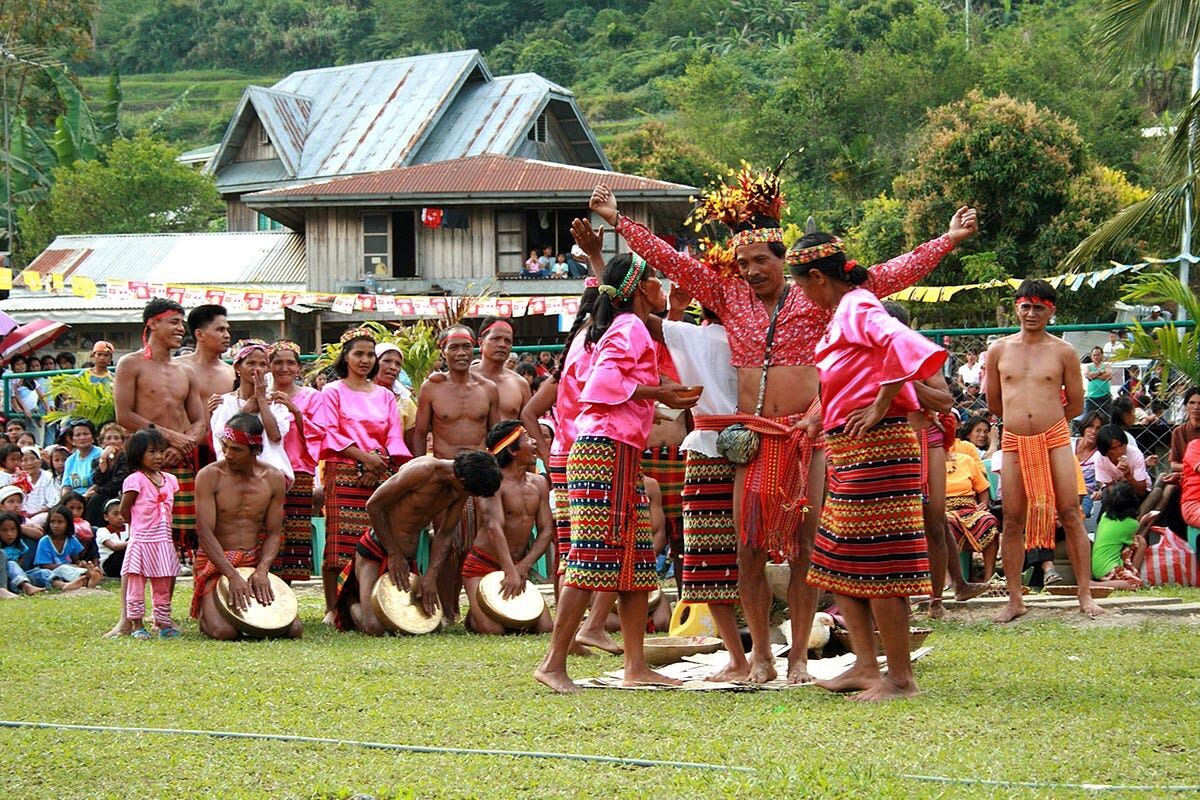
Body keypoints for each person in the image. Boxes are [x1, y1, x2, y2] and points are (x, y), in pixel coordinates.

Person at [591, 176, 978, 684]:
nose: (751, 271)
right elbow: (673, 261)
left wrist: (947, 240)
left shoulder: (816, 295)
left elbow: (888, 274)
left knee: (806, 548)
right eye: (744, 263)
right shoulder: (727, 296)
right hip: (750, 440)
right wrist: (619, 221)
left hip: (809, 439)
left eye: (762, 261)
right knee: (747, 548)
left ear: (784, 261)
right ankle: (761, 658)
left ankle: (797, 655)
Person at [534, 253, 699, 695]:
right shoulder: (626, 328)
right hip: (603, 451)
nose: (661, 287)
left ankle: (635, 665)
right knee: (591, 560)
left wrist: (663, 395)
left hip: (615, 451)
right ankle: (553, 664)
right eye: (655, 281)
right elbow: (601, 387)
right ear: (641, 289)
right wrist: (657, 392)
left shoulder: (617, 328)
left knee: (635, 563)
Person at [791, 231, 944, 701]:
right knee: (836, 562)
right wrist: (819, 417)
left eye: (800, 286)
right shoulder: (844, 312)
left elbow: (903, 343)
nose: (801, 296)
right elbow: (849, 378)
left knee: (879, 563)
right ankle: (864, 665)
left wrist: (881, 403)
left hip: (880, 447)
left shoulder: (859, 305)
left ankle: (900, 678)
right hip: (851, 449)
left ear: (817, 277)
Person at [985, 281, 1102, 623]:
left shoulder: (1063, 351)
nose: (1031, 313)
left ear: (1052, 311)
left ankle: (1085, 594)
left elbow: (1077, 403)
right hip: (1014, 441)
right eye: (1026, 306)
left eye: (1039, 307)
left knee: (1070, 511)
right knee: (1011, 519)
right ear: (1016, 308)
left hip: (1054, 438)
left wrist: (1047, 427)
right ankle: (1015, 599)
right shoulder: (998, 350)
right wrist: (1023, 428)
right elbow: (994, 401)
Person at [518, 284, 622, 653]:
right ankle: (587, 628)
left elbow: (529, 413)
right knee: (602, 545)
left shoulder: (570, 357)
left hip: (564, 456)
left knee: (572, 550)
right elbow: (529, 414)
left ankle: (578, 633)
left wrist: (549, 452)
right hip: (587, 452)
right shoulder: (594, 349)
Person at [658, 288, 750, 681]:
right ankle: (761, 655)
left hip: (709, 453)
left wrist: (599, 265)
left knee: (710, 564)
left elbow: (632, 315)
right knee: (754, 557)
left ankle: (740, 659)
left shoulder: (688, 335)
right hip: (756, 448)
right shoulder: (753, 337)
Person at [112, 298, 205, 637]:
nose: (181, 329)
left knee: (171, 542)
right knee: (139, 540)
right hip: (142, 461)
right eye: (174, 322)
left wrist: (185, 444)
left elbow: (200, 421)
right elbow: (124, 415)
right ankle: (127, 618)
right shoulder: (130, 364)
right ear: (152, 324)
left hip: (178, 464)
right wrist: (166, 438)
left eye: (182, 322)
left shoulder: (185, 370)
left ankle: (162, 617)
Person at [333, 451, 502, 634]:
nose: (467, 496)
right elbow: (374, 505)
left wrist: (430, 575)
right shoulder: (423, 471)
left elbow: (445, 534)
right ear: (460, 478)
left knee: (428, 625)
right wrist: (394, 554)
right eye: (468, 492)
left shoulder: (460, 489)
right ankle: (350, 599)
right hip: (376, 549)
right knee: (375, 628)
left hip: (407, 558)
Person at [312, 327, 409, 621]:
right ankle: (333, 607)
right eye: (359, 354)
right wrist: (364, 459)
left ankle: (368, 599)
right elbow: (329, 432)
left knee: (373, 539)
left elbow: (394, 436)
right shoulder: (332, 391)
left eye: (370, 354)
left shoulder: (385, 395)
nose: (365, 360)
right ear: (346, 356)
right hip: (343, 471)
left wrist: (378, 462)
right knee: (339, 542)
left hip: (379, 471)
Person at [412, 325, 500, 621]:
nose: (461, 354)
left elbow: (495, 437)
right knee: (445, 543)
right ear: (443, 351)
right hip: (443, 476)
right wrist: (418, 473)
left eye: (466, 347)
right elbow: (421, 432)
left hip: (476, 478)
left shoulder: (488, 389)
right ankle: (447, 609)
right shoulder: (432, 387)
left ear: (474, 348)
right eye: (454, 348)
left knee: (473, 543)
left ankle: (477, 607)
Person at [192, 413, 300, 640]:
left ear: (255, 450)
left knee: (292, 629)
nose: (228, 454)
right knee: (225, 632)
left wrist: (262, 571)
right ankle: (206, 610)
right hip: (216, 562)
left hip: (253, 563)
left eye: (236, 449)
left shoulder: (273, 479)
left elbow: (274, 532)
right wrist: (231, 575)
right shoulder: (209, 475)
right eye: (225, 446)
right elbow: (205, 533)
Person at [462, 421, 554, 635]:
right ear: (512, 450)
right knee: (494, 630)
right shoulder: (494, 483)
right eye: (527, 439)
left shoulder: (539, 484)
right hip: (482, 565)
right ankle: (476, 613)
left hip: (518, 566)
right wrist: (510, 570)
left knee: (544, 628)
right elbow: (494, 527)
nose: (534, 443)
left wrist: (522, 567)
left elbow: (547, 530)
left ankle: (483, 607)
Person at [268, 340, 325, 584]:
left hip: (298, 470)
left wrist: (296, 411)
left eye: (290, 362)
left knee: (292, 531)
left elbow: (319, 434)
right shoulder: (261, 396)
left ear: (299, 369)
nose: (284, 368)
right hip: (265, 471)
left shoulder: (311, 397)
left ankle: (285, 592)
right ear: (269, 366)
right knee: (266, 529)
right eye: (278, 362)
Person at [119, 426, 182, 639]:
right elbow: (124, 509)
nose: (158, 456)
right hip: (142, 541)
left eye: (161, 451)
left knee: (163, 583)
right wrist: (137, 527)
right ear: (138, 455)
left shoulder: (170, 480)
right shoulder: (135, 480)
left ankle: (162, 623)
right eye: (152, 452)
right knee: (136, 583)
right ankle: (136, 624)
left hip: (163, 541)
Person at [209, 341, 294, 485]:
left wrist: (261, 399)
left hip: (270, 477)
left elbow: (275, 436)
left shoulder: (276, 402)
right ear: (237, 367)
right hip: (233, 478)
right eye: (251, 363)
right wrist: (247, 410)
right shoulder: (223, 403)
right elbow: (227, 441)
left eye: (262, 364)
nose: (257, 369)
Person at [944, 438, 1001, 581]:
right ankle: (948, 582)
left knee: (988, 520)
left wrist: (984, 504)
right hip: (944, 510)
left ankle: (989, 579)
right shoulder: (929, 462)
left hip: (969, 508)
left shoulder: (967, 460)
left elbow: (982, 488)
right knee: (945, 525)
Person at [176, 304, 235, 437]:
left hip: (222, 450)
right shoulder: (177, 368)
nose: (227, 335)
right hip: (183, 448)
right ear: (200, 334)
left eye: (227, 330)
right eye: (220, 330)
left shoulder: (231, 373)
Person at [1090, 483, 1152, 589]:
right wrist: (1145, 522)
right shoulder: (1131, 524)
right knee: (1135, 584)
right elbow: (1135, 533)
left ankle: (1131, 573)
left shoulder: (1105, 516)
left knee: (1139, 540)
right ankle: (1095, 585)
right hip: (1108, 569)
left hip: (1098, 566)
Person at [472, 319, 532, 423]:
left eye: (507, 341)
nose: (502, 345)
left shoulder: (520, 384)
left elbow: (528, 424)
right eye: (496, 339)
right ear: (481, 343)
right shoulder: (464, 378)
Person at [34, 504, 102, 590]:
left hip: (69, 571)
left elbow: (75, 559)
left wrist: (80, 564)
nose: (55, 525)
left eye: (60, 522)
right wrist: (68, 566)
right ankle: (84, 579)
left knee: (70, 569)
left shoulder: (71, 540)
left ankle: (88, 577)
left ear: (68, 524)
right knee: (62, 569)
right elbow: (45, 565)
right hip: (53, 571)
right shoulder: (45, 541)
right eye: (52, 521)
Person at [373, 342, 418, 435]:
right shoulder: (355, 395)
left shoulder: (405, 402)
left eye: (398, 364)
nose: (393, 367)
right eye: (387, 361)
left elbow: (410, 441)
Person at [1094, 424, 1150, 496]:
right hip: (1117, 494)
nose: (1119, 451)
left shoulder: (1135, 454)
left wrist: (1128, 475)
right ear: (1106, 450)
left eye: (1121, 446)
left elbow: (1141, 491)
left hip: (1137, 493)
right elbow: (1109, 486)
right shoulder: (1099, 458)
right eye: (1113, 448)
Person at [0, 512, 44, 594]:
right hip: (3, 577)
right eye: (4, 530)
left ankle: (60, 584)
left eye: (13, 529)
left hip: (17, 575)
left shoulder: (19, 544)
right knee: (11, 563)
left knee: (40, 572)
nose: (9, 534)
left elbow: (21, 558)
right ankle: (26, 586)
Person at [62, 420, 101, 493]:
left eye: (85, 434)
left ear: (93, 438)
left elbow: (100, 483)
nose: (82, 438)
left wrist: (84, 497)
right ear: (72, 440)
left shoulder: (100, 454)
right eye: (78, 435)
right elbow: (66, 486)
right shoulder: (70, 460)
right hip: (74, 499)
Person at [22, 446, 57, 524]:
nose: (30, 463)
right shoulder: (19, 479)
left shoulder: (49, 477)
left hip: (43, 515)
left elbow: (53, 502)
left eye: (33, 459)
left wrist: (33, 514)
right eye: (24, 460)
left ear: (40, 461)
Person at [95, 498, 128, 577]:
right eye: (115, 514)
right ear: (106, 517)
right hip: (110, 565)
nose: (120, 517)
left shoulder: (129, 527)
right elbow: (113, 547)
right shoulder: (102, 531)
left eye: (122, 513)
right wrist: (133, 541)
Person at [1083, 346, 1113, 419]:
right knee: (1089, 419)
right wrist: (1101, 372)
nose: (1096, 357)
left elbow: (1109, 376)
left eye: (1098, 355)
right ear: (1091, 356)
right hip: (1091, 397)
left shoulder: (1106, 365)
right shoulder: (1088, 366)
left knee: (1106, 418)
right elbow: (1087, 375)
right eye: (1094, 355)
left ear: (1102, 355)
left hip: (1104, 397)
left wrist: (1094, 376)